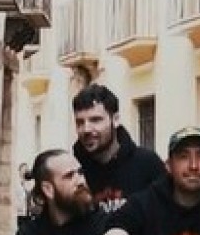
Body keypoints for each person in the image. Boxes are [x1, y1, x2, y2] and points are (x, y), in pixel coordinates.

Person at [72, 84, 168, 214]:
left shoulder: (147, 164)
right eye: (80, 122)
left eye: (95, 120)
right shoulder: (73, 172)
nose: (86, 129)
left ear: (115, 119)